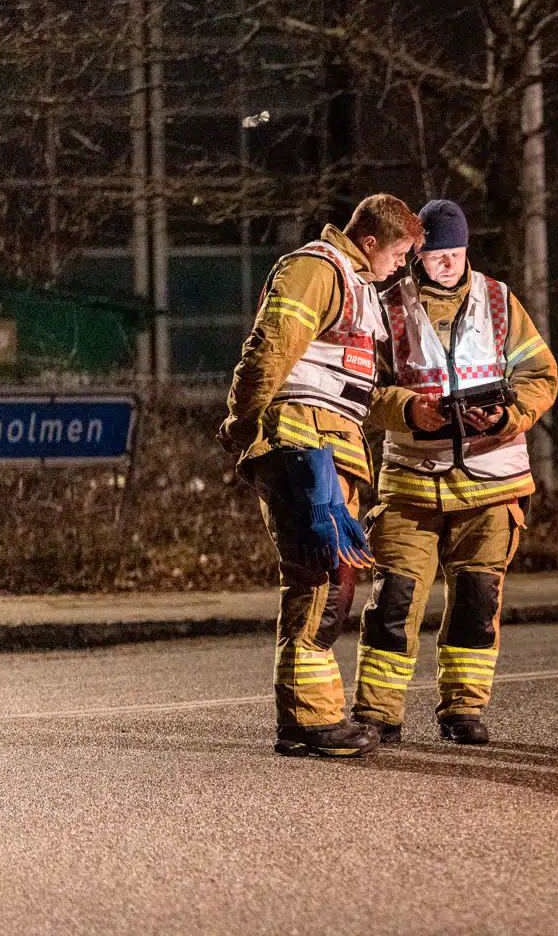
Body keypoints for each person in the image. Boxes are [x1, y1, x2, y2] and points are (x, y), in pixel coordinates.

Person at [217, 194, 424, 758]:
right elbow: (270, 349)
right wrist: (242, 422)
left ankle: (311, 720)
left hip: (326, 444)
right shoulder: (318, 268)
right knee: (321, 580)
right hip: (304, 444)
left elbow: (349, 391)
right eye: (402, 253)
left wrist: (408, 409)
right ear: (374, 241)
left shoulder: (355, 285)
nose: (403, 266)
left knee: (330, 581)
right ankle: (309, 723)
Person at [352, 198, 557, 746]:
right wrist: (409, 410)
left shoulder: (498, 300)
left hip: (494, 482)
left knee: (477, 602)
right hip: (413, 483)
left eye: (457, 253)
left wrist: (509, 412)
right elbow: (361, 389)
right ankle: (377, 714)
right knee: (393, 600)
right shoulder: (386, 305)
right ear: (417, 252)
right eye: (438, 255)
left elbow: (539, 372)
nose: (448, 264)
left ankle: (463, 710)